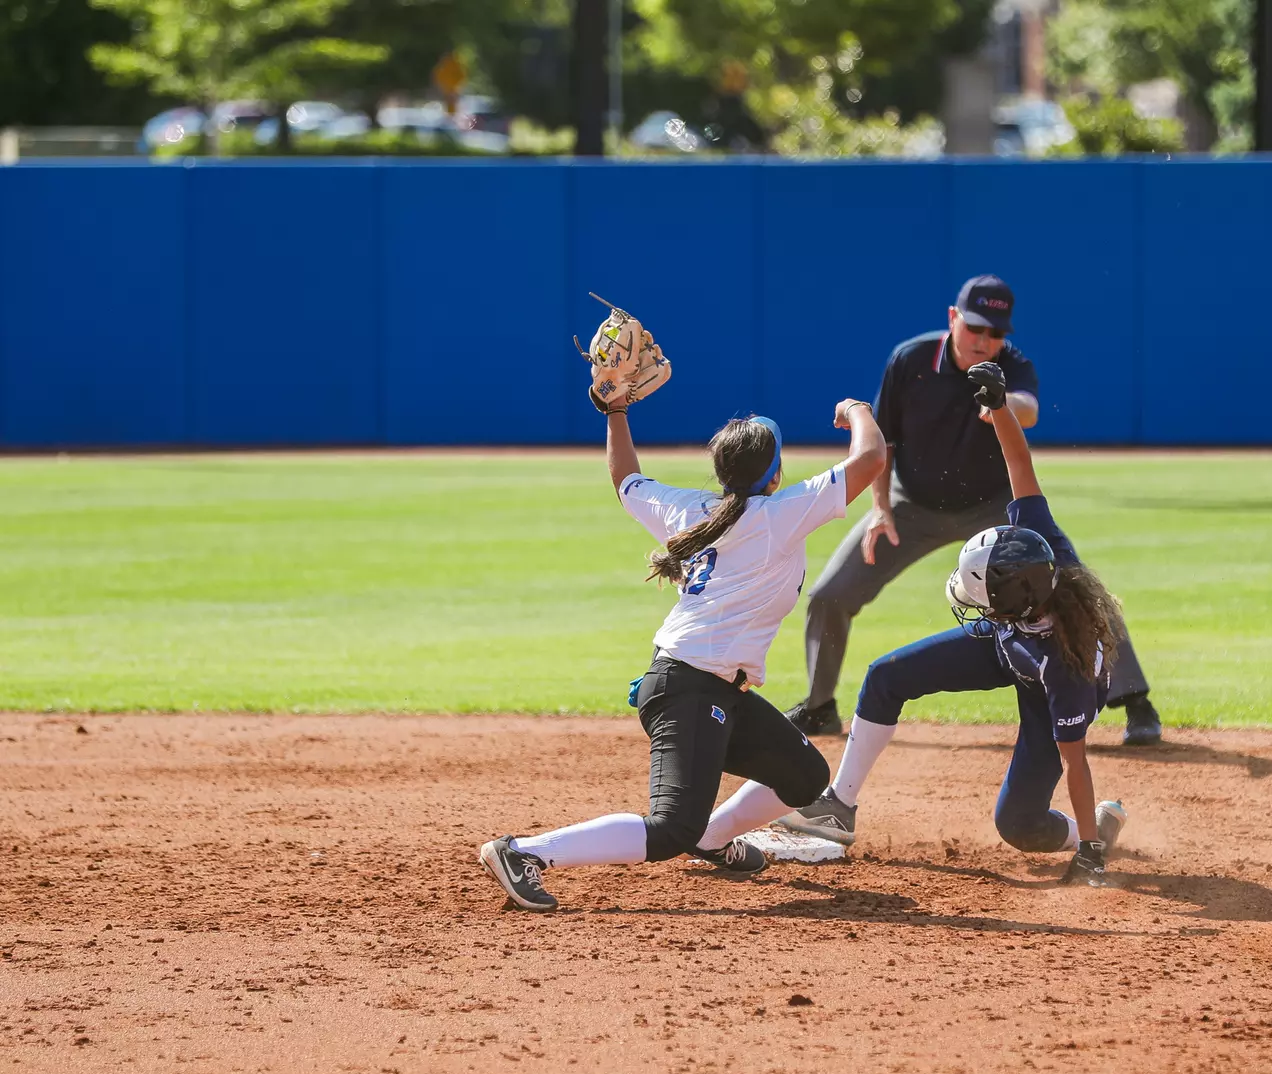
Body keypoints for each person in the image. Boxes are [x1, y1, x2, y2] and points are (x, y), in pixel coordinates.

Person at [477, 387, 887, 913]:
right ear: (775, 474)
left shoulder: (690, 509)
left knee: (806, 777)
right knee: (670, 826)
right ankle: (523, 852)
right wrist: (858, 409)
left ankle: (712, 839)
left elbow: (626, 482)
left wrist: (616, 412)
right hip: (688, 690)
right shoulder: (779, 514)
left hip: (712, 689)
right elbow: (872, 458)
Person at [778, 362, 1127, 885]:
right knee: (886, 675)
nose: (966, 595)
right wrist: (998, 406)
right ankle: (837, 807)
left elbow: (1076, 765)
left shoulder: (1066, 673)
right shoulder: (1034, 538)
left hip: (1045, 681)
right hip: (1011, 640)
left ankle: (1093, 831)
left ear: (1007, 604)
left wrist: (1091, 852)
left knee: (1020, 825)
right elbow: (1018, 459)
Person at [783, 274, 1162, 746]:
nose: (985, 340)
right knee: (829, 594)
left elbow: (1028, 409)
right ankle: (819, 707)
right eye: (976, 327)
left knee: (1073, 584)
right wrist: (879, 508)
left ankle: (1136, 700)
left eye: (996, 333)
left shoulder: (1011, 367)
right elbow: (884, 441)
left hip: (995, 511)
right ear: (952, 318)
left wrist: (1000, 400)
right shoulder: (911, 360)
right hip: (910, 507)